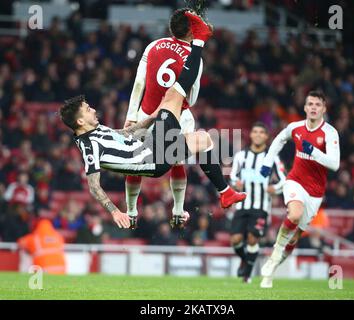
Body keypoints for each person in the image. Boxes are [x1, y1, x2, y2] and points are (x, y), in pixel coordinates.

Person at [59, 13, 246, 230]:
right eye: (88, 109)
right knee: (175, 94)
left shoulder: (96, 131)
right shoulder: (88, 145)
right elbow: (93, 186)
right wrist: (114, 211)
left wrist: (147, 118)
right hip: (152, 156)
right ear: (80, 120)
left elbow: (123, 135)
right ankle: (200, 41)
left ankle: (225, 193)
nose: (93, 109)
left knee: (204, 139)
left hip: (152, 149)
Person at [124, 8, 203, 229]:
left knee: (135, 165)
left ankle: (131, 212)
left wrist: (131, 116)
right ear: (192, 31)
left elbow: (139, 83)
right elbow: (193, 98)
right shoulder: (195, 56)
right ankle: (178, 209)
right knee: (177, 160)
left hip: (145, 114)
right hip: (178, 117)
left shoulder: (153, 45)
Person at [259, 90, 340, 288]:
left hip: (315, 192)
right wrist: (268, 162)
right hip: (295, 180)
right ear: (304, 108)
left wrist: (314, 151)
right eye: (310, 104)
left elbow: (335, 163)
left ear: (323, 109)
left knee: (295, 236)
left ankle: (273, 266)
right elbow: (279, 139)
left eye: (317, 104)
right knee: (294, 215)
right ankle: (275, 253)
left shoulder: (330, 133)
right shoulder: (295, 127)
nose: (313, 107)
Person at [230, 122, 286, 283]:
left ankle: (247, 273)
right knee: (235, 240)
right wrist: (235, 184)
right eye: (255, 131)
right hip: (242, 205)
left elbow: (284, 179)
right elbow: (233, 176)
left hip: (261, 206)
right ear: (251, 134)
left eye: (262, 132)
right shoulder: (241, 156)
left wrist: (274, 189)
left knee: (253, 239)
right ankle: (246, 261)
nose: (258, 134)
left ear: (266, 137)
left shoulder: (272, 158)